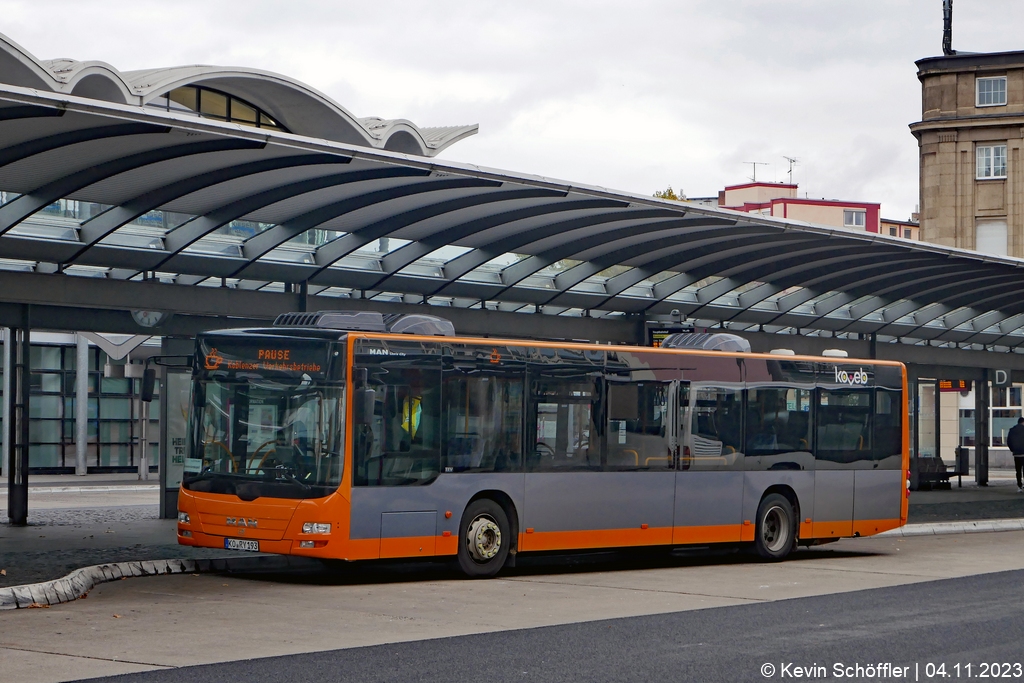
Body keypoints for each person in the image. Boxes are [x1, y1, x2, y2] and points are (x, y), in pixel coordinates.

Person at [1007, 417, 1024, 492]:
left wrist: (1013, 450)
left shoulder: (1012, 430)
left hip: (1016, 454)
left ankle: (1019, 486)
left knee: (1018, 471)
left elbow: (1009, 441)